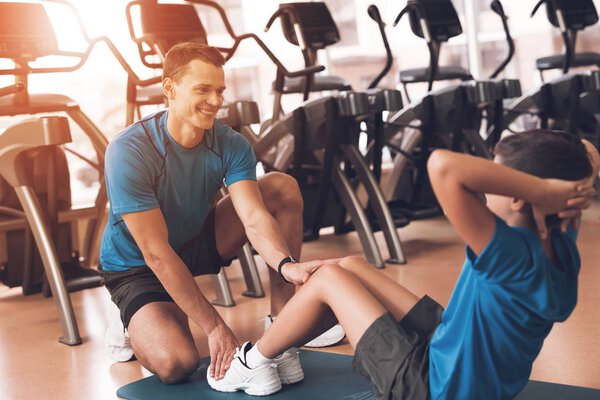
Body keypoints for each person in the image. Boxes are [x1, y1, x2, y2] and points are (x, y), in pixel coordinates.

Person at [207, 130, 599, 399]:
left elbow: (443, 166)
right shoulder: (560, 241)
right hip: (460, 361)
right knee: (352, 265)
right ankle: (285, 344)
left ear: (518, 196)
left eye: (497, 177)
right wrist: (558, 190)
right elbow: (586, 153)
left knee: (329, 278)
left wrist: (542, 188)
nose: (486, 187)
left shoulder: (508, 252)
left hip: (430, 388)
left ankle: (253, 362)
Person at [99, 42, 343, 384]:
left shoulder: (230, 143)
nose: (215, 101)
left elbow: (255, 217)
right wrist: (214, 325)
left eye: (219, 90)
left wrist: (287, 266)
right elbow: (156, 253)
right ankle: (129, 317)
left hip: (195, 239)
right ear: (169, 88)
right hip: (138, 265)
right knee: (176, 363)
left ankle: (283, 316)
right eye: (202, 89)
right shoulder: (130, 150)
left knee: (279, 187)